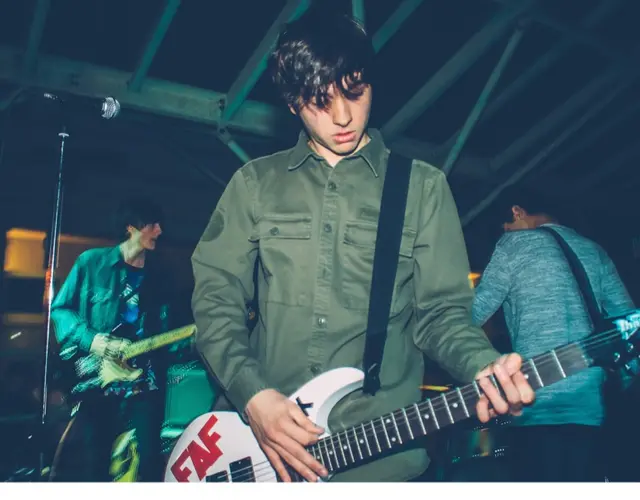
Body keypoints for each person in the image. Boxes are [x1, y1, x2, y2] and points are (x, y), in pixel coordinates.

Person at [191, 10, 534, 483]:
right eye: (319, 100)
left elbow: (441, 316)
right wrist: (253, 397)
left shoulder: (422, 189)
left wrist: (483, 365)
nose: (343, 116)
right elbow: (215, 301)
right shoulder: (254, 184)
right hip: (259, 450)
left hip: (378, 458)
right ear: (292, 103)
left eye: (354, 91)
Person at [471, 189, 636, 481]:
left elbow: (472, 314)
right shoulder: (593, 249)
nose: (506, 232)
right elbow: (629, 322)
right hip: (592, 402)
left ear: (517, 212)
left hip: (537, 397)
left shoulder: (514, 244)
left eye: (506, 226)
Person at [51, 197, 178, 482]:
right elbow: (60, 309)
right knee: (95, 462)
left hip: (143, 383)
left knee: (148, 463)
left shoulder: (160, 276)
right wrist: (91, 340)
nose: (159, 231)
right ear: (131, 227)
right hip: (98, 382)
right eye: (152, 225)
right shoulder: (91, 263)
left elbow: (168, 329)